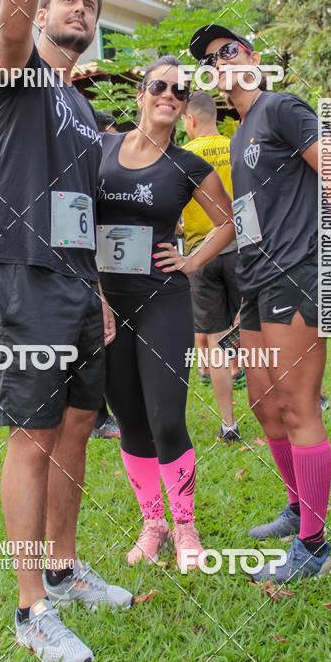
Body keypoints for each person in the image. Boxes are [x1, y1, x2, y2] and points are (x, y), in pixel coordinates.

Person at [0, 0, 132, 662]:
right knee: (32, 436)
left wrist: (99, 292)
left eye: (91, 6)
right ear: (41, 16)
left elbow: (85, 210)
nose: (81, 9)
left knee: (75, 428)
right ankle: (30, 607)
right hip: (17, 275)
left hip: (74, 285)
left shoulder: (80, 107)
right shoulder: (19, 75)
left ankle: (64, 572)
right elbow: (8, 22)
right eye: (69, 0)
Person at [190, 23, 331, 582]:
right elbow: (245, 217)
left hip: (296, 274)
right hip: (254, 282)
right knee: (264, 407)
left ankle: (314, 549)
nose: (220, 62)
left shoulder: (280, 107)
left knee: (298, 408)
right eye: (209, 60)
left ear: (252, 57)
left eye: (228, 50)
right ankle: (299, 509)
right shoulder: (239, 135)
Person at [97, 55, 235, 570]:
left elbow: (230, 222)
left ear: (183, 107)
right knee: (130, 419)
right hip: (107, 303)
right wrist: (92, 290)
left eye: (179, 91)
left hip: (163, 300)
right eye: (160, 86)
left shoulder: (188, 165)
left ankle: (184, 526)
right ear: (141, 93)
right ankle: (152, 523)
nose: (170, 96)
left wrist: (192, 260)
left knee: (166, 418)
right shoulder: (101, 150)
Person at [182, 92, 242, 442]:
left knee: (216, 340)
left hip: (200, 256)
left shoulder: (180, 156)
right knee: (257, 333)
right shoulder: (236, 148)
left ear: (190, 119)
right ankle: (278, 412)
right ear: (215, 117)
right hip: (241, 249)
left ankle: (229, 424)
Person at [90, 110, 121, 440]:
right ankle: (98, 417)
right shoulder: (85, 169)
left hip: (117, 269)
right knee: (96, 343)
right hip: (90, 272)